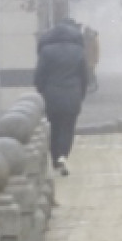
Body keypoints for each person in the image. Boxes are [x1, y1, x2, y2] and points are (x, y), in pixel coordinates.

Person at [34, 9, 90, 176]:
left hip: (51, 95)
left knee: (53, 127)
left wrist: (42, 90)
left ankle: (55, 158)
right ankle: (63, 156)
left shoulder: (46, 51)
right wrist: (81, 95)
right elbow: (85, 77)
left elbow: (39, 76)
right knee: (68, 128)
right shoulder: (79, 52)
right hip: (72, 95)